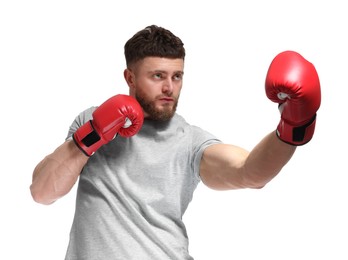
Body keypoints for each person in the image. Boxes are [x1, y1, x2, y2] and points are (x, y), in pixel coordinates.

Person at [30, 25, 321, 260]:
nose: (169, 87)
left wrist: (295, 124)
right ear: (129, 77)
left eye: (177, 76)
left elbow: (249, 173)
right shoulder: (91, 121)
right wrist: (91, 136)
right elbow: (42, 193)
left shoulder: (189, 140)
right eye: (158, 76)